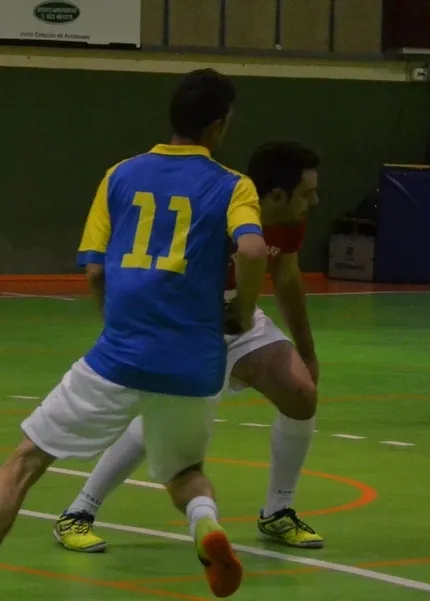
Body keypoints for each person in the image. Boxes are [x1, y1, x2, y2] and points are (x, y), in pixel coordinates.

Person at [0, 68, 268, 598]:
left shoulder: (120, 175)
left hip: (121, 354)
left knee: (23, 463)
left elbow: (94, 270)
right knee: (184, 471)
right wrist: (243, 310)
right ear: (218, 126)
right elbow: (254, 249)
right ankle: (205, 526)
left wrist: (112, 319)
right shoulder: (233, 184)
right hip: (195, 363)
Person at [53, 139, 324, 554]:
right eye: (307, 193)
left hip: (240, 317)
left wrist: (306, 351)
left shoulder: (289, 220)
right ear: (274, 196)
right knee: (161, 421)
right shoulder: (219, 208)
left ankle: (277, 512)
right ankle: (79, 511)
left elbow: (286, 278)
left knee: (301, 393)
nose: (315, 201)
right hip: (189, 323)